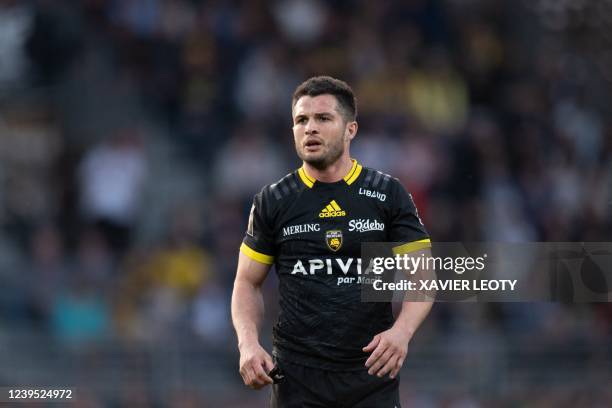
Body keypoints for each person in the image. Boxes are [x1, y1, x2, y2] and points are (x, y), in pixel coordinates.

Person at [231, 76, 433, 407]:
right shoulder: (273, 200)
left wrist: (401, 333)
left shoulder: (387, 194)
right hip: (297, 378)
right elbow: (246, 283)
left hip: (370, 374)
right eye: (301, 120)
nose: (310, 128)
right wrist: (248, 344)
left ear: (350, 129)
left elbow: (422, 278)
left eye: (323, 118)